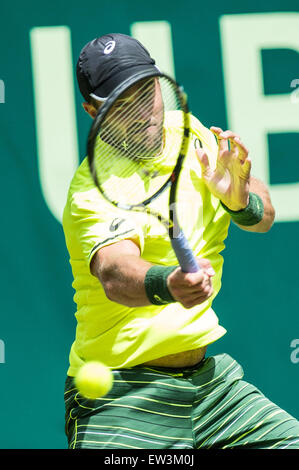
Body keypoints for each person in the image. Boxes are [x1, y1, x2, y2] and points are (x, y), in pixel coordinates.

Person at [63, 33, 299, 449]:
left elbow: (264, 216)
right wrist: (168, 283)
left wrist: (241, 202)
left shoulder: (191, 135)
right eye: (120, 101)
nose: (142, 112)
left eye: (145, 90)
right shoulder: (93, 187)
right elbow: (115, 273)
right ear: (92, 111)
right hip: (122, 398)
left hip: (211, 391)